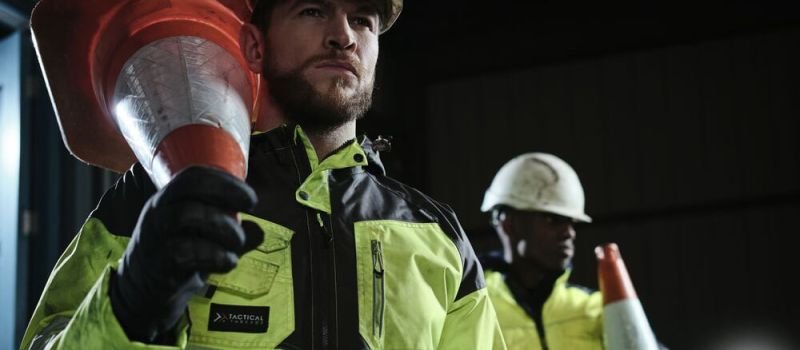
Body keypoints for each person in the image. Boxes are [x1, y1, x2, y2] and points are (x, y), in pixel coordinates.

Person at [20, 0, 505, 349]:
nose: (343, 35)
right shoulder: (166, 195)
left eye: (362, 19)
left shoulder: (436, 232)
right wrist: (128, 307)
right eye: (313, 10)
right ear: (254, 45)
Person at [480, 153, 602, 349]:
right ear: (509, 225)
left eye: (571, 222)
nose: (569, 233)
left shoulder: (595, 308)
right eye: (552, 219)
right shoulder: (473, 307)